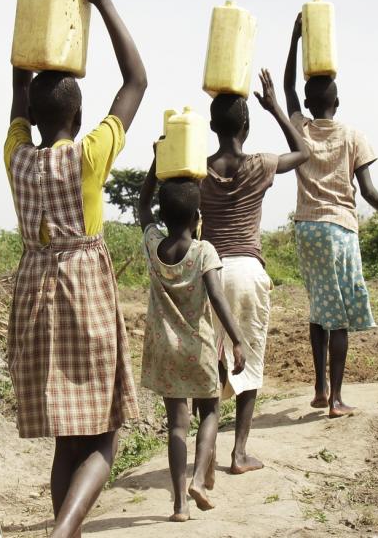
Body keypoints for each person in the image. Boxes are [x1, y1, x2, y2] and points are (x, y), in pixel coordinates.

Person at [4, 0, 146, 538]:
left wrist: (28, 34)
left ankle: (69, 531)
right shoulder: (88, 157)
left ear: (31, 116)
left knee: (68, 433)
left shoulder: (15, 154)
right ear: (79, 113)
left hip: (33, 292)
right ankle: (64, 531)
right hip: (83, 288)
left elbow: (18, 95)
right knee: (104, 431)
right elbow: (136, 81)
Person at [283, 13, 378, 418]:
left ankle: (319, 388)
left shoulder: (299, 127)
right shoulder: (352, 135)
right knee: (339, 321)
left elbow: (287, 92)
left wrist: (295, 39)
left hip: (306, 229)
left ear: (310, 103)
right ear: (336, 102)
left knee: (319, 308)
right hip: (339, 230)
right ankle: (336, 399)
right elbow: (367, 190)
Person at [198, 69, 308, 474]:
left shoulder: (199, 170)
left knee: (211, 362)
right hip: (246, 271)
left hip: (208, 271)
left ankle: (205, 450)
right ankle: (239, 453)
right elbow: (303, 153)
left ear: (212, 126)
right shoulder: (259, 164)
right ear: (247, 125)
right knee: (251, 361)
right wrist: (275, 105)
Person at [137, 176, 247, 522]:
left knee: (176, 426)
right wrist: (237, 339)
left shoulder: (154, 244)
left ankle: (179, 506)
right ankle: (198, 480)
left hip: (164, 349)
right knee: (211, 411)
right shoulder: (203, 251)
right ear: (198, 215)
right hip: (198, 348)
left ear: (163, 215)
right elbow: (216, 297)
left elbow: (142, 206)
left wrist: (156, 166)